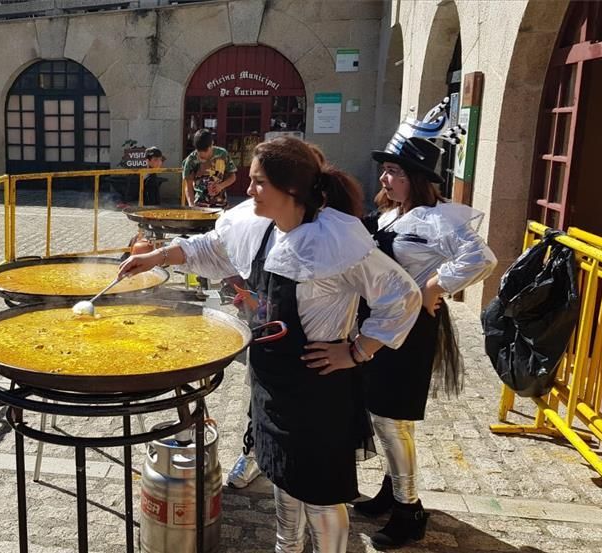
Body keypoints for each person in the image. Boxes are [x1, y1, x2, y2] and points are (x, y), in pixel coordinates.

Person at [120, 136, 422, 553]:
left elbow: (403, 295)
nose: (248, 189)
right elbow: (212, 248)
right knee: (282, 478)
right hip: (272, 383)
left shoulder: (336, 242)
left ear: (291, 189)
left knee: (320, 497)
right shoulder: (262, 229)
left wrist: (357, 350)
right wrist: (155, 258)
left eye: (259, 182)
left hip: (318, 389)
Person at [352, 102, 497, 549]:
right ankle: (391, 490)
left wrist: (435, 284)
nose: (384, 178)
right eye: (385, 170)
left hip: (412, 331)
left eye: (393, 171)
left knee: (392, 419)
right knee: (380, 414)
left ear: (416, 177)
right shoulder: (390, 214)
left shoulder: (438, 218)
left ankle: (410, 509)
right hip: (379, 323)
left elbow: (482, 258)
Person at [181, 129, 236, 208]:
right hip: (200, 204)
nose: (203, 156)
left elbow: (232, 177)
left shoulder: (223, 154)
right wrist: (191, 205)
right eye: (199, 152)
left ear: (212, 144)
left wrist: (221, 186)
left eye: (206, 151)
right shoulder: (191, 160)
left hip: (221, 204)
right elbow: (188, 186)